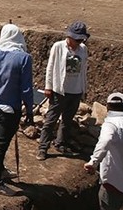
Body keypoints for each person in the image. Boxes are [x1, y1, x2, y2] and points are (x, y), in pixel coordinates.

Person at [0, 23, 34, 197]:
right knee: (0, 145)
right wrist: (29, 111)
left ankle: (0, 170)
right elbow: (26, 89)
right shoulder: (24, 58)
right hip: (9, 110)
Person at [38, 21, 90, 160]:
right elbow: (50, 67)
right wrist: (48, 86)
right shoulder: (58, 47)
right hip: (59, 90)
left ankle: (60, 143)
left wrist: (83, 88)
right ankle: (43, 147)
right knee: (51, 120)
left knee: (67, 120)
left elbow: (83, 70)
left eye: (81, 40)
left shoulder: (83, 49)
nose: (79, 42)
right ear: (69, 37)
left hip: (75, 90)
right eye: (77, 40)